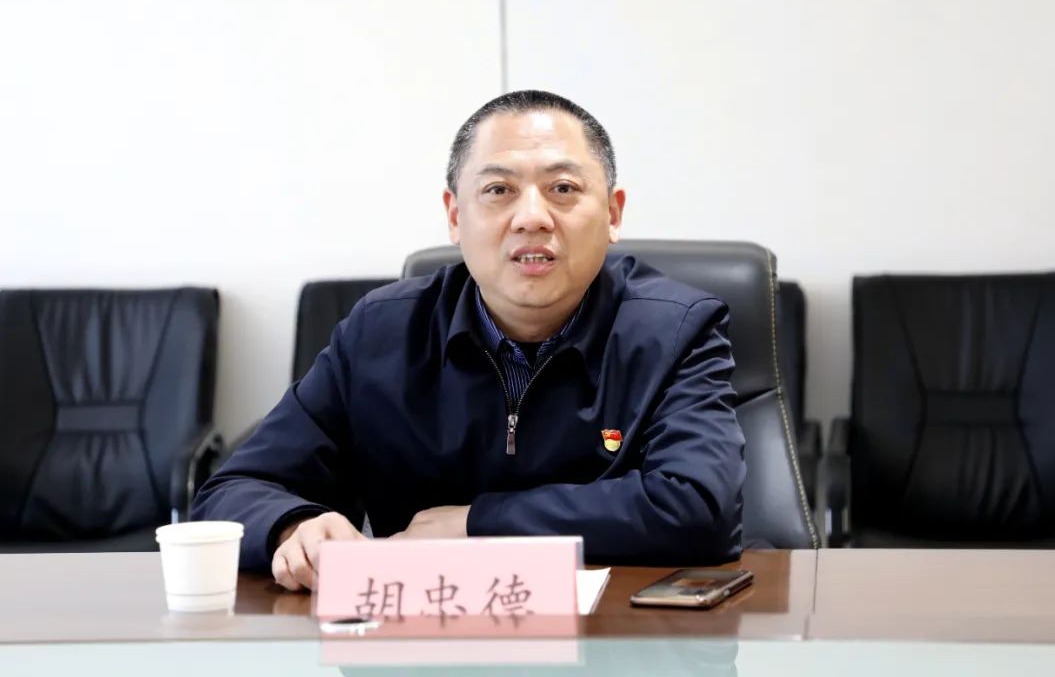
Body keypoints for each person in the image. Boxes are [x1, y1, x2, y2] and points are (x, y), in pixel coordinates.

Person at [193, 90, 746, 591]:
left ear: (613, 213)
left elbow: (699, 506)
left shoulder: (675, 329)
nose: (532, 217)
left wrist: (476, 523)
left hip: (620, 641)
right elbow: (231, 490)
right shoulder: (382, 333)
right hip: (428, 636)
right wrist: (294, 526)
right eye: (498, 190)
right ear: (455, 216)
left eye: (563, 189)